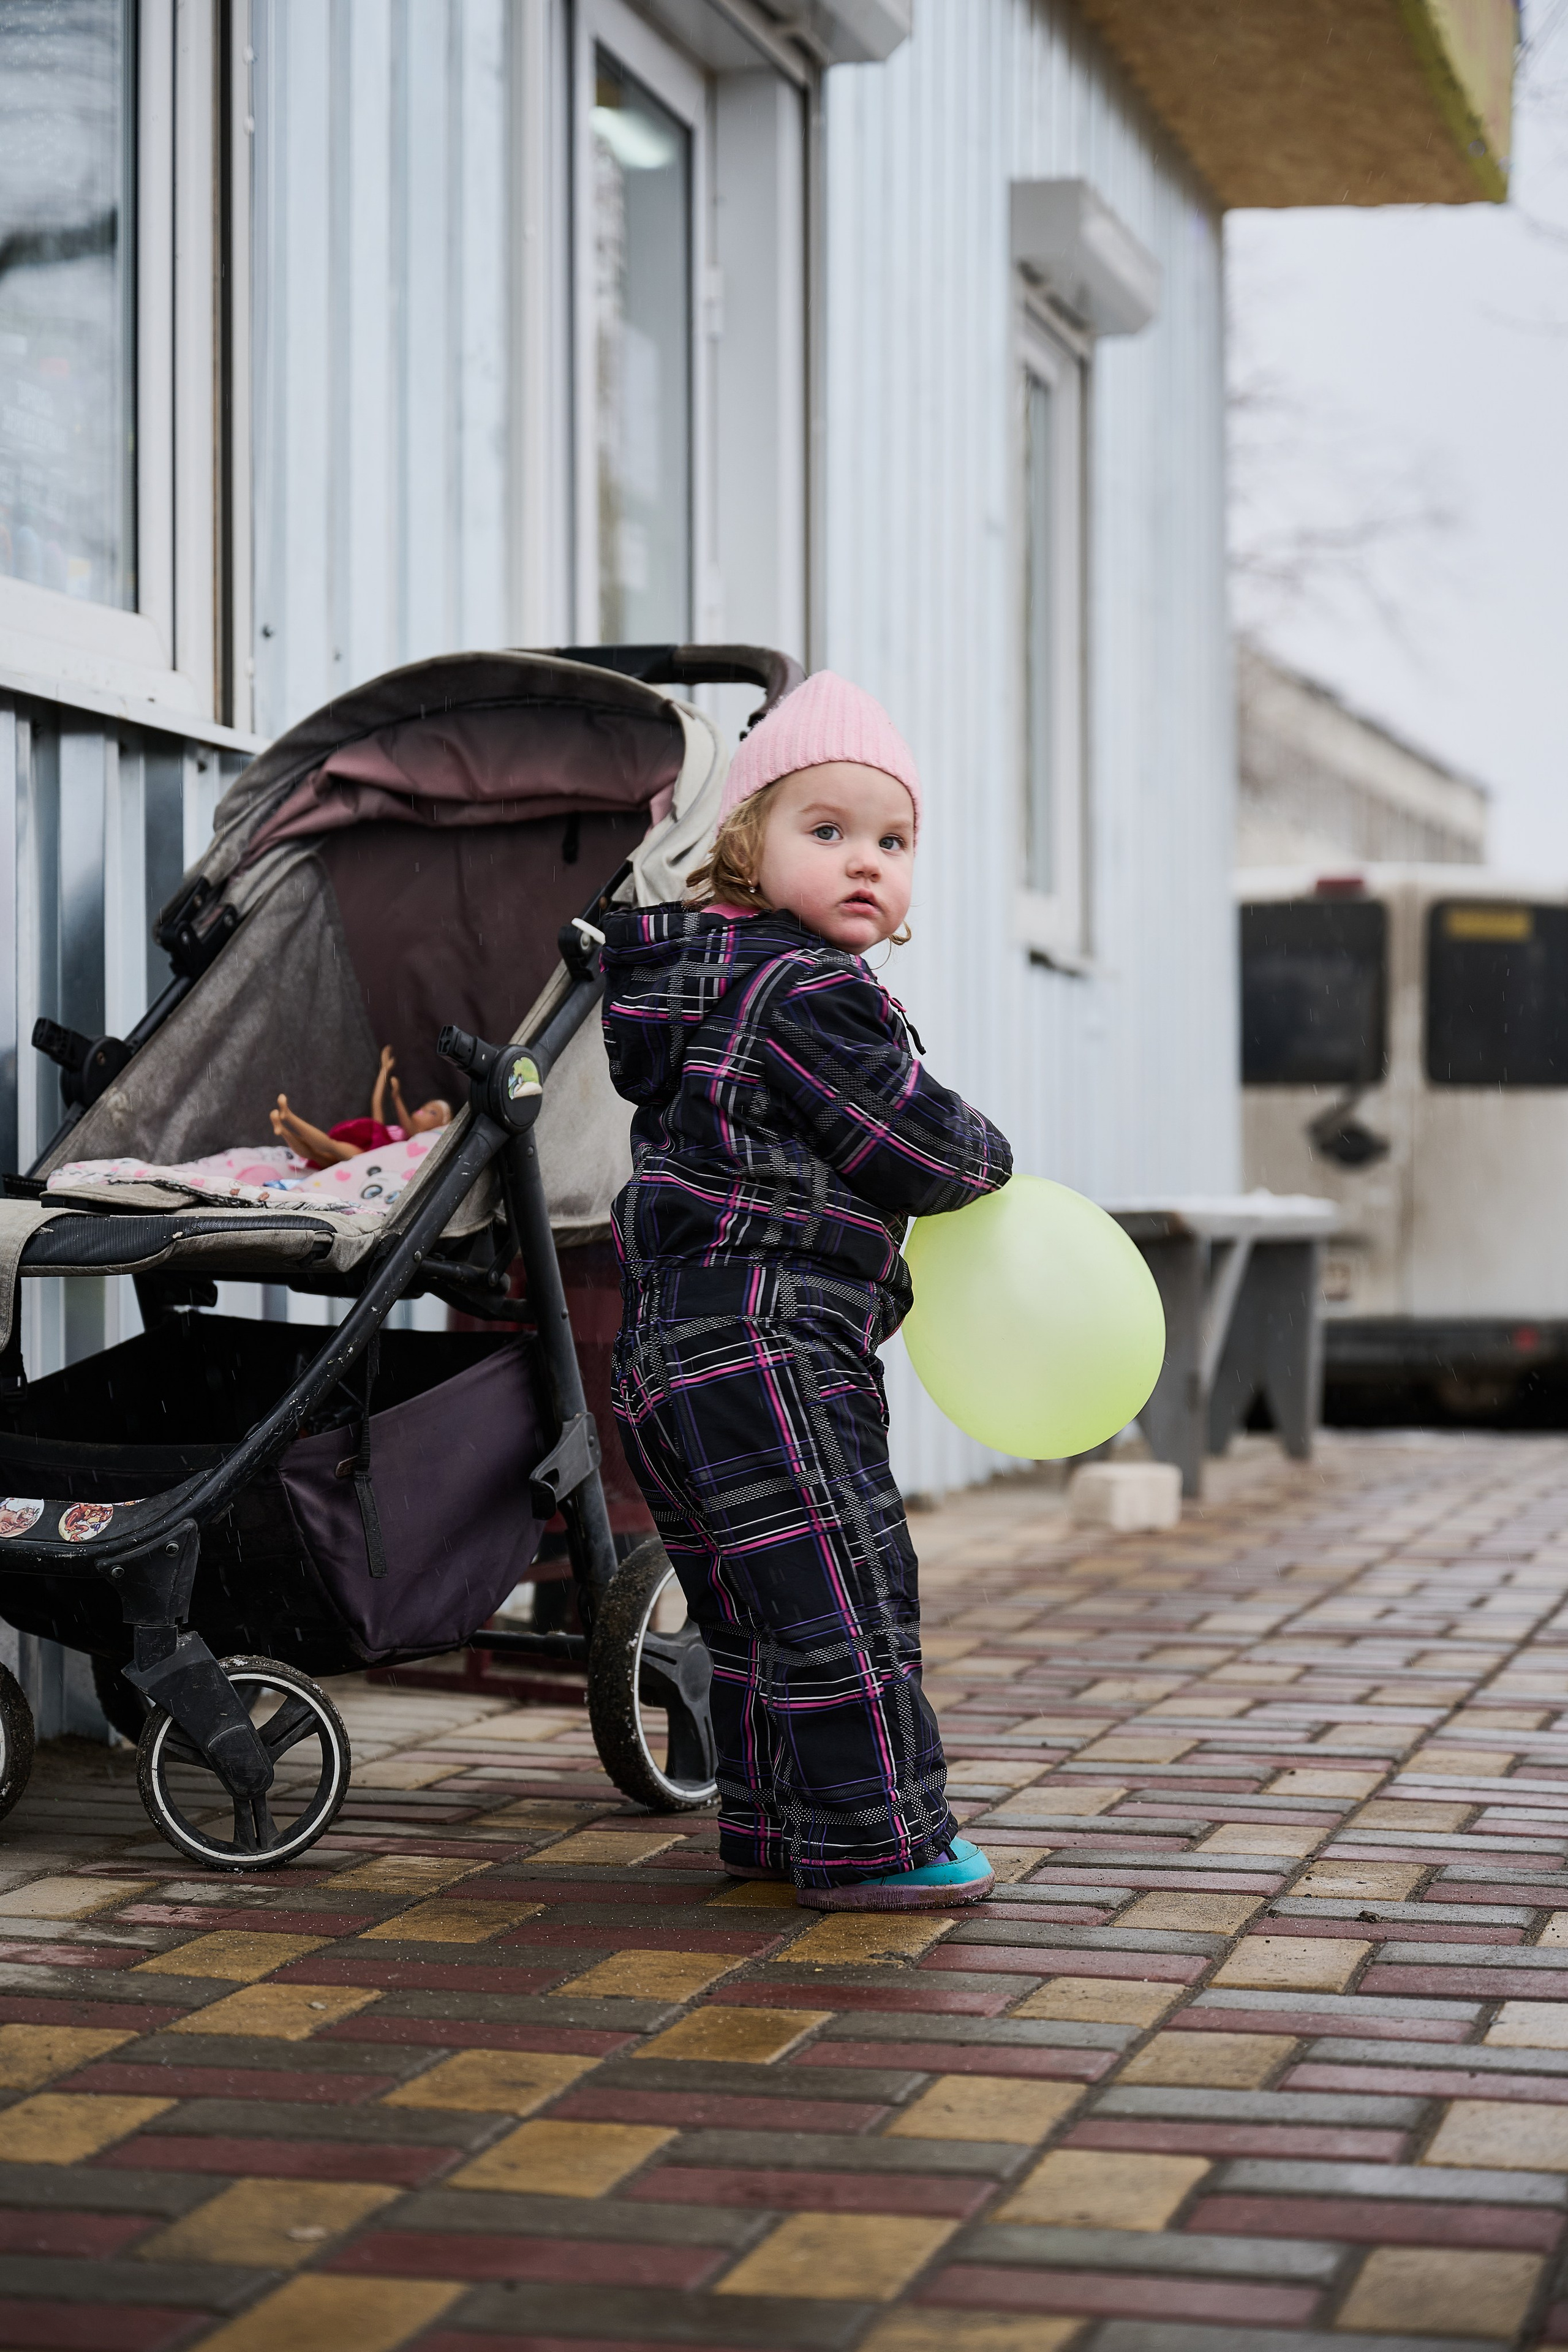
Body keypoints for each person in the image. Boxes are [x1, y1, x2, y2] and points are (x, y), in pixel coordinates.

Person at [600, 670, 1012, 1910]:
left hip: (671, 1345)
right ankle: (879, 1840)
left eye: (891, 841)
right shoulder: (804, 989)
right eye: (823, 832)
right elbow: (922, 1150)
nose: (864, 864)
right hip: (775, 1338)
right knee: (844, 1586)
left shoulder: (693, 988)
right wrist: (987, 1155)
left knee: (758, 1605)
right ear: (743, 842)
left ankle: (776, 1827)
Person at [270, 1045, 452, 1169]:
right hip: (365, 1151)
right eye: (426, 1107)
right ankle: (284, 1129)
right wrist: (384, 1071)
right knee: (317, 1154)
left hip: (366, 1157)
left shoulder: (416, 1139)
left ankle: (290, 1118)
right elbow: (377, 1107)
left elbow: (411, 1129)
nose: (423, 1111)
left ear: (438, 1126)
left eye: (432, 1113)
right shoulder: (392, 1132)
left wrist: (396, 1097)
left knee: (329, 1146)